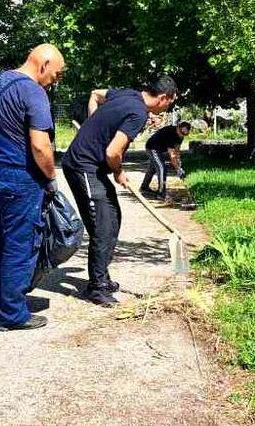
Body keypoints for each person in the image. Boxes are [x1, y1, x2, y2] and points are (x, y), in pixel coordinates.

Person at [62, 76, 179, 306]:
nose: (168, 108)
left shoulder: (127, 93)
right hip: (82, 166)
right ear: (163, 97)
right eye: (170, 104)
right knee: (102, 224)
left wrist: (92, 124)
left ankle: (101, 277)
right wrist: (118, 172)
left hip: (92, 167)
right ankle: (96, 287)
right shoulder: (139, 113)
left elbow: (95, 93)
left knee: (112, 217)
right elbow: (113, 152)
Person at [0, 44, 65, 331]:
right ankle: (12, 314)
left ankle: (0, 301)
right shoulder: (32, 91)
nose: (56, 80)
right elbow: (40, 145)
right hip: (17, 176)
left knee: (0, 240)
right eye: (57, 73)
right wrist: (50, 177)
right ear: (44, 64)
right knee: (20, 245)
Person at [140, 121, 192, 200]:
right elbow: (172, 155)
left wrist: (179, 164)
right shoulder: (170, 133)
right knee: (161, 168)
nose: (182, 135)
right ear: (178, 127)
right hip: (152, 147)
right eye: (182, 132)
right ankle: (161, 193)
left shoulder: (180, 136)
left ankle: (144, 187)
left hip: (159, 149)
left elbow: (177, 150)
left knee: (153, 167)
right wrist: (177, 169)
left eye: (185, 134)